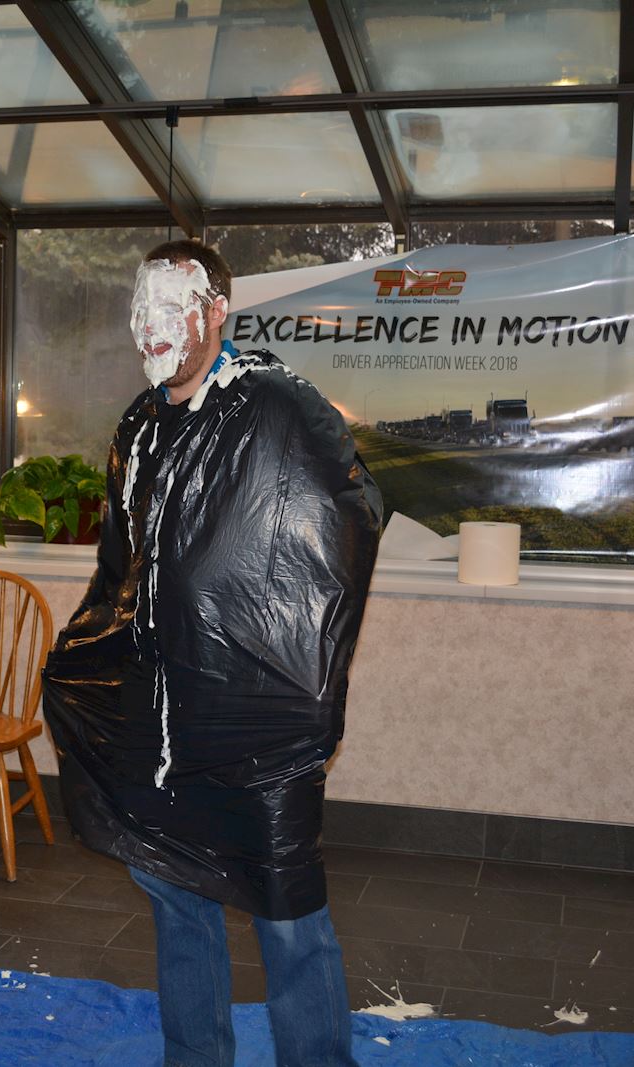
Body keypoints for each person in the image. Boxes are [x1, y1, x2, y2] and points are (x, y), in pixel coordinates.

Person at [43, 240, 382, 1066]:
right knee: (175, 898)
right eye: (140, 307)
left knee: (290, 914)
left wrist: (297, 672)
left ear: (216, 310)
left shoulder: (277, 405)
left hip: (258, 728)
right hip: (162, 722)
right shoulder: (139, 426)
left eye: (170, 306)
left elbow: (349, 516)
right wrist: (89, 660)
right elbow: (122, 570)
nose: (149, 327)